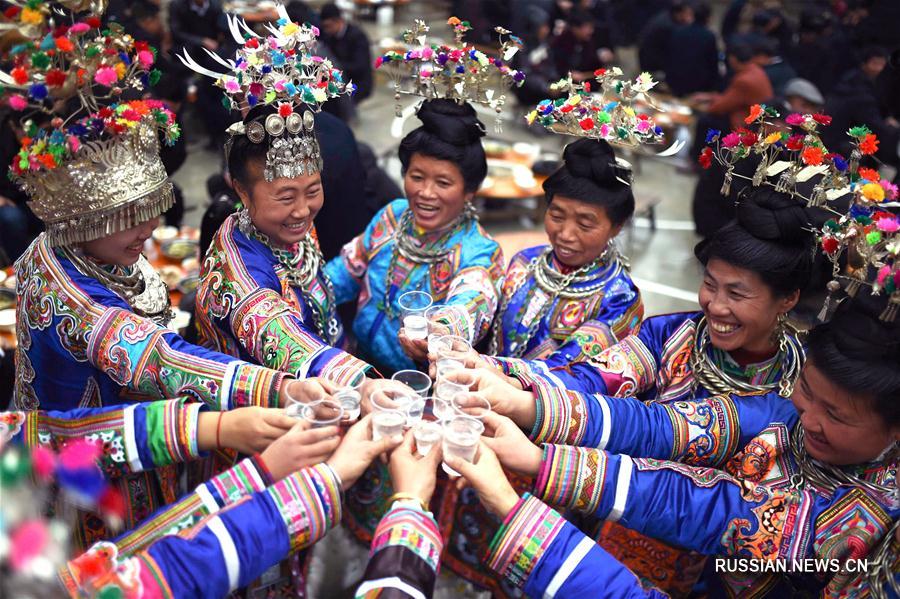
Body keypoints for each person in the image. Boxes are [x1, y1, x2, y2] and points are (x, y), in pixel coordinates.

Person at [7, 13, 329, 547]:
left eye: (150, 209)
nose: (147, 231)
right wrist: (271, 386)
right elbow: (152, 357)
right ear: (77, 220)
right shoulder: (71, 296)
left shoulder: (89, 254)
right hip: (92, 472)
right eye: (123, 219)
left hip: (148, 441)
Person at [456, 289, 899, 598]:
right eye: (806, 391)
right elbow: (662, 429)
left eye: (837, 415)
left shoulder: (868, 521)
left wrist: (528, 476)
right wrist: (526, 414)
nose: (811, 418)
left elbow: (713, 511)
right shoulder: (776, 412)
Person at [188, 19, 370, 383]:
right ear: (240, 189)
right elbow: (282, 338)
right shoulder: (241, 278)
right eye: (285, 196)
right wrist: (359, 383)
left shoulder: (286, 226)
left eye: (313, 190)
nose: (302, 210)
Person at [323, 98, 505, 375]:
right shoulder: (393, 215)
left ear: (470, 190)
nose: (426, 193)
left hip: (423, 377)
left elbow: (472, 302)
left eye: (443, 183)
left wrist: (441, 331)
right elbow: (348, 269)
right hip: (360, 362)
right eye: (417, 177)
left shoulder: (480, 250)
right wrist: (304, 294)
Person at [489, 139, 642, 361]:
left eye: (585, 224)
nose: (566, 234)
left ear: (617, 227)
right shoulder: (524, 262)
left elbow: (570, 371)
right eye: (557, 216)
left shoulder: (620, 300)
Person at [822, 46, 900, 167]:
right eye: (875, 63)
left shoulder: (855, 81)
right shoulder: (858, 92)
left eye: (882, 64)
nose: (879, 68)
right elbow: (874, 124)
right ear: (864, 64)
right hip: (841, 147)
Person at [693, 42, 774, 129]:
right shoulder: (756, 70)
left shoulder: (743, 80)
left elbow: (720, 107)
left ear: (733, 59)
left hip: (748, 124)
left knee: (704, 121)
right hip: (759, 118)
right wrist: (710, 97)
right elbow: (732, 99)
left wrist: (699, 107)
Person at [319, 3, 374, 104]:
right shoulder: (330, 35)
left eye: (328, 26)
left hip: (358, 82)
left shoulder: (357, 37)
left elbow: (360, 66)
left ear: (338, 21)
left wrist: (334, 68)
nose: (326, 30)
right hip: (340, 77)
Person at [662, 0, 719, 97]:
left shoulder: (677, 31)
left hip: (674, 81)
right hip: (698, 85)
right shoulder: (709, 36)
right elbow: (713, 63)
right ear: (708, 18)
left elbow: (668, 55)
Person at [550, 10, 613, 83]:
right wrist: (569, 73)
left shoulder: (587, 41)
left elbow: (591, 62)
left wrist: (601, 59)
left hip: (585, 83)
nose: (591, 31)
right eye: (587, 27)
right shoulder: (560, 42)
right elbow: (556, 66)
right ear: (575, 28)